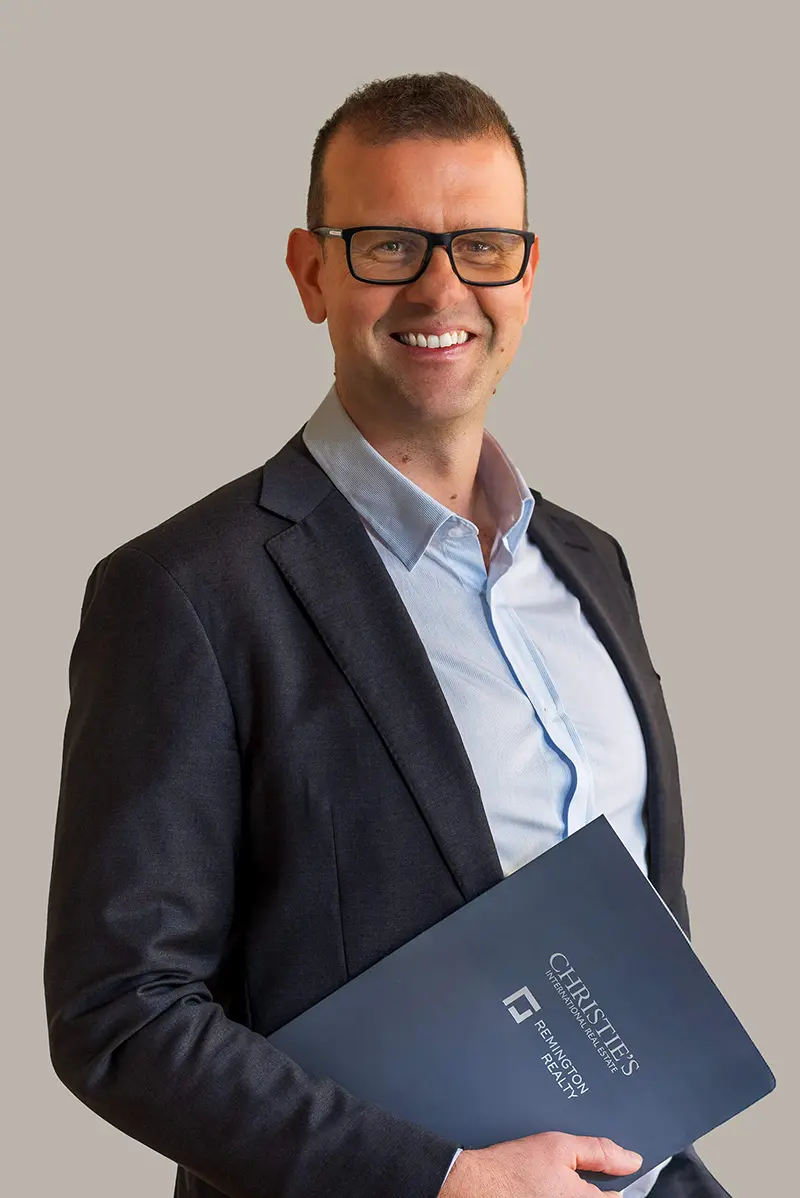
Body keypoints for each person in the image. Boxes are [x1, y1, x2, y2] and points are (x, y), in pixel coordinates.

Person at [44, 72, 731, 1198]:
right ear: (311, 272)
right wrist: (443, 1180)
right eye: (389, 246)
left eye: (482, 247)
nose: (440, 287)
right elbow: (120, 1013)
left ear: (528, 272)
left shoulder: (592, 564)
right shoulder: (184, 592)